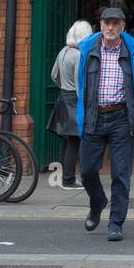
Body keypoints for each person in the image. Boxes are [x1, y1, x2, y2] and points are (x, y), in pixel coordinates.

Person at [76, 7, 134, 241]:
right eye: (107, 23)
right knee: (86, 170)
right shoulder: (87, 50)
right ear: (100, 25)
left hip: (120, 117)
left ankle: (115, 223)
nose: (110, 27)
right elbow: (81, 85)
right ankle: (97, 201)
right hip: (94, 117)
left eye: (115, 23)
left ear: (123, 27)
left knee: (120, 174)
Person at [49, 20, 93, 190]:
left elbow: (54, 75)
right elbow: (79, 83)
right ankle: (68, 179)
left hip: (63, 97)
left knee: (66, 141)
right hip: (74, 101)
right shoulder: (79, 55)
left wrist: (63, 87)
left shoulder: (63, 51)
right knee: (74, 140)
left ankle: (64, 176)